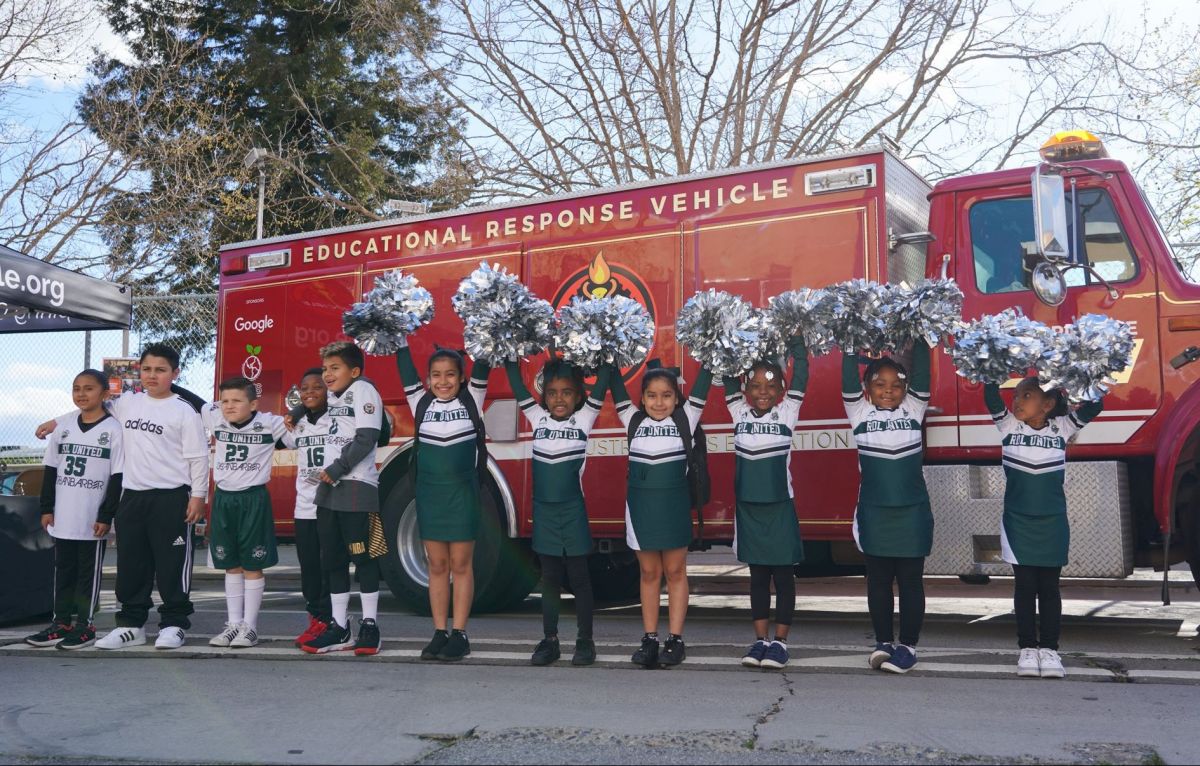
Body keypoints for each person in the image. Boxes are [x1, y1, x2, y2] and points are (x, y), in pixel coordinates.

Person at [35, 344, 208, 650]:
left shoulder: (184, 410)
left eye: (160, 370)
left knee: (170, 565)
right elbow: (91, 407)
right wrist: (55, 422)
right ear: (139, 371)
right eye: (147, 369)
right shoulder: (128, 402)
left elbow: (197, 458)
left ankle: (174, 624)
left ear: (175, 374)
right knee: (131, 566)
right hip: (133, 498)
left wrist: (198, 495)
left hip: (171, 498)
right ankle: (131, 625)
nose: (152, 376)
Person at [985, 377, 1103, 679]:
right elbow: (990, 395)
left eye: (1027, 395)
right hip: (1018, 522)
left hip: (1052, 521)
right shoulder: (1009, 426)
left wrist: (1082, 372)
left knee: (1049, 588)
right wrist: (995, 366)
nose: (1017, 401)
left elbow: (1097, 404)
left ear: (1048, 404)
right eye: (1016, 396)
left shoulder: (1062, 428)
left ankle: (1050, 650)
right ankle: (1027, 649)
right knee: (1024, 588)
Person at [506, 359, 610, 667]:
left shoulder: (585, 420)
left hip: (573, 511)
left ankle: (585, 641)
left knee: (579, 578)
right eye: (552, 393)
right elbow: (515, 385)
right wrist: (511, 352)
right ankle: (550, 641)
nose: (559, 399)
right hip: (545, 514)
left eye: (567, 392)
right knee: (549, 579)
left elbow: (602, 384)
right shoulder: (537, 419)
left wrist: (605, 353)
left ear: (579, 396)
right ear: (543, 396)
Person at [609, 361, 711, 668]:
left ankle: (676, 640)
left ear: (677, 398)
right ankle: (650, 638)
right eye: (651, 395)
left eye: (666, 395)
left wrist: (712, 346)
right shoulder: (632, 420)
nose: (659, 402)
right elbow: (615, 386)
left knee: (676, 572)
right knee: (649, 574)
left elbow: (704, 382)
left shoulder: (687, 418)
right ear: (641, 399)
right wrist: (608, 354)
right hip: (641, 512)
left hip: (674, 509)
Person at [395, 340, 491, 662]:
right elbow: (404, 364)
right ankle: (439, 631)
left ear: (463, 378)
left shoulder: (472, 400)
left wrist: (489, 330)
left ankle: (460, 633)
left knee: (461, 566)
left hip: (462, 496)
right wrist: (398, 335)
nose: (443, 381)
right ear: (427, 379)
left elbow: (484, 361)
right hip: (430, 496)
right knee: (437, 566)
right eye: (436, 375)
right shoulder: (420, 403)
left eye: (451, 374)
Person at [843, 342, 932, 674]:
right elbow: (847, 376)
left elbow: (923, 368)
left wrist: (919, 330)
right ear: (867, 388)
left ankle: (907, 647)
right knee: (877, 581)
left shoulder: (914, 408)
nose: (888, 391)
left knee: (910, 580)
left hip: (911, 512)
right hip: (874, 513)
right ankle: (883, 644)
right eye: (879, 384)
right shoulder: (859, 412)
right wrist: (850, 339)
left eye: (896, 385)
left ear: (907, 389)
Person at [719, 337, 808, 670]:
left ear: (782, 389)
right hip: (749, 510)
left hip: (780, 507)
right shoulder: (737, 410)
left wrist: (797, 342)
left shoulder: (788, 411)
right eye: (754, 385)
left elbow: (802, 378)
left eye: (770, 386)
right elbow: (727, 373)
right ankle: (759, 640)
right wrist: (726, 338)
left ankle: (781, 642)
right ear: (745, 389)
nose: (762, 392)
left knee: (783, 578)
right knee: (757, 578)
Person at [24, 370, 123, 650]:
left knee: (86, 574)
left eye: (89, 388)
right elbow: (51, 471)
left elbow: (117, 478)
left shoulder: (114, 429)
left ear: (105, 394)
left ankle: (85, 626)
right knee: (63, 571)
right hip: (64, 514)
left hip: (92, 517)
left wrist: (106, 515)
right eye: (76, 388)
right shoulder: (64, 426)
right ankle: (61, 623)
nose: (81, 393)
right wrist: (46, 508)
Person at [300, 341, 387, 656]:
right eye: (325, 368)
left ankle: (369, 626)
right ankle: (339, 627)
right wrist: (297, 409)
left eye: (334, 368)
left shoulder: (364, 390)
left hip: (355, 486)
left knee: (363, 558)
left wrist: (337, 468)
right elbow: (313, 402)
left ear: (354, 371)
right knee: (332, 560)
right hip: (330, 490)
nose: (327, 374)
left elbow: (366, 438)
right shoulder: (336, 395)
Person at [202, 377, 288, 649]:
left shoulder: (271, 423)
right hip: (224, 499)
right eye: (225, 401)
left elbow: (299, 436)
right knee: (230, 564)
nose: (229, 406)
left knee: (252, 564)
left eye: (237, 401)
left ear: (253, 404)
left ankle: (250, 626)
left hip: (253, 498)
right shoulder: (214, 417)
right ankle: (233, 624)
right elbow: (194, 402)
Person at [280, 368, 334, 647]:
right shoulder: (296, 425)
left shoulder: (337, 418)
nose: (310, 392)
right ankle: (316, 618)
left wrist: (300, 408)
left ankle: (333, 621)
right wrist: (297, 411)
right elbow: (277, 437)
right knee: (310, 568)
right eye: (304, 388)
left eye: (318, 387)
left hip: (330, 504)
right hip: (304, 507)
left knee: (330, 567)